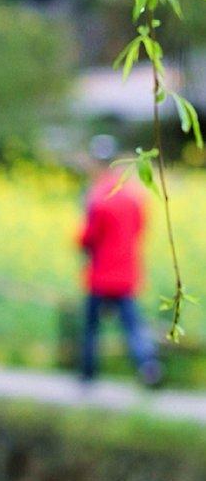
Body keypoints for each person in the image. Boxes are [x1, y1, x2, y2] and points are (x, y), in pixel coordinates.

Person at [78, 135, 161, 386]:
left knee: (92, 327)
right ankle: (147, 365)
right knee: (133, 326)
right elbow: (139, 229)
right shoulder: (133, 196)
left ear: (96, 163)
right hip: (126, 273)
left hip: (100, 274)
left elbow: (88, 238)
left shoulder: (96, 196)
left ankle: (88, 375)